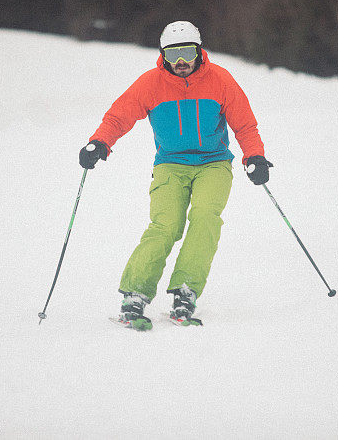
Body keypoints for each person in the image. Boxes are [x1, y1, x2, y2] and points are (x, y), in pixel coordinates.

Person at [79, 21, 272, 330]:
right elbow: (120, 115)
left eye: (187, 53)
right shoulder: (151, 84)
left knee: (206, 217)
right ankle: (135, 295)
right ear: (163, 56)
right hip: (170, 164)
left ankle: (186, 292)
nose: (181, 62)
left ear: (199, 51)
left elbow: (245, 124)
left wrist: (255, 157)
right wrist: (99, 142)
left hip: (214, 163)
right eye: (173, 55)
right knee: (165, 226)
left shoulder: (221, 80)